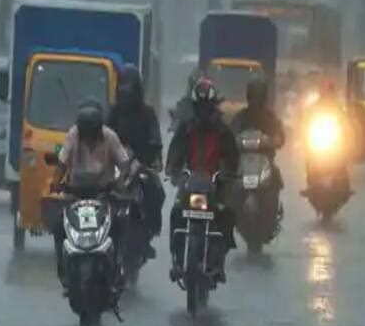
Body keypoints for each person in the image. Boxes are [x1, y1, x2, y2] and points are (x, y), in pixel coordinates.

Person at [166, 78, 239, 281]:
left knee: (227, 213)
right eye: (201, 106)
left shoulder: (223, 131)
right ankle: (177, 259)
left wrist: (229, 173)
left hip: (216, 184)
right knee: (176, 212)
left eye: (208, 106)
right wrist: (173, 169)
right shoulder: (186, 129)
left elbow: (233, 157)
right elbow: (175, 152)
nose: (204, 111)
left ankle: (219, 261)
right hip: (190, 183)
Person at [51, 99, 130, 288]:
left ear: (98, 128)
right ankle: (63, 268)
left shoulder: (110, 137)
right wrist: (56, 183)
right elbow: (62, 162)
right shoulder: (73, 135)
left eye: (90, 131)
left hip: (104, 193)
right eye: (83, 131)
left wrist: (120, 182)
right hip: (77, 194)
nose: (87, 136)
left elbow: (124, 163)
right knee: (58, 224)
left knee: (121, 222)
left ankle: (118, 265)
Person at [106, 64, 165, 256]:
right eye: (123, 89)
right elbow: (103, 134)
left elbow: (155, 139)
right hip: (117, 166)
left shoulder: (147, 113)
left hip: (140, 165)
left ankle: (148, 234)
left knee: (156, 192)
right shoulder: (114, 112)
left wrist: (149, 155)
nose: (126, 94)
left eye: (129, 90)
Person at [231, 77, 286, 229]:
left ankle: (272, 212)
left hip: (264, 161)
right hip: (243, 161)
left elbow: (280, 134)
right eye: (253, 95)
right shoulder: (241, 117)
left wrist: (275, 140)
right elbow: (229, 133)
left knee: (275, 176)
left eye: (258, 96)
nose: (256, 100)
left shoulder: (270, 117)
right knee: (228, 178)